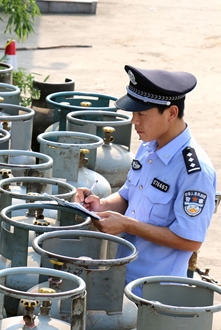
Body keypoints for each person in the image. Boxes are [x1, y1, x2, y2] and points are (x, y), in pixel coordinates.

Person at [76, 65, 217, 288]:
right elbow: (128, 196)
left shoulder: (194, 171)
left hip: (156, 291)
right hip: (123, 276)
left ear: (171, 113)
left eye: (142, 114)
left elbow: (191, 240)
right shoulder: (149, 147)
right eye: (133, 113)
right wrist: (100, 205)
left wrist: (128, 226)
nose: (134, 121)